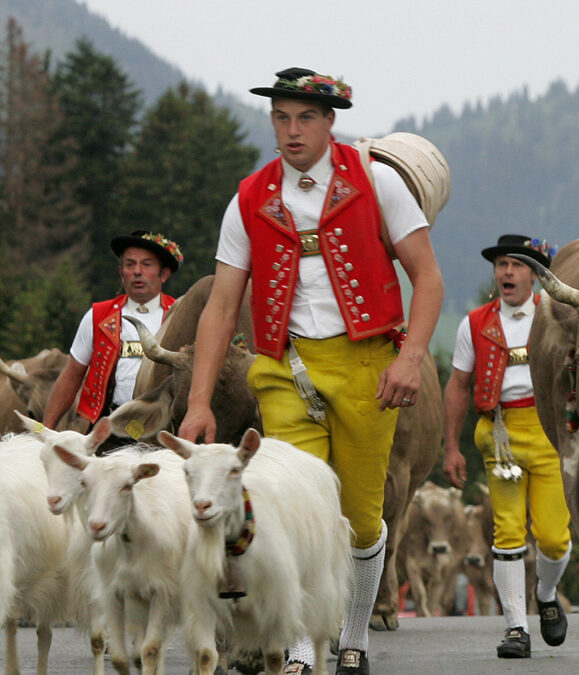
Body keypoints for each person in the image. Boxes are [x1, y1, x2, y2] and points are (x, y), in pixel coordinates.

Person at [176, 67, 443, 675]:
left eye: (305, 117)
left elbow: (428, 278)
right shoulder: (248, 198)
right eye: (281, 117)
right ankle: (299, 648)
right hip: (283, 366)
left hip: (366, 365)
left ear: (330, 121)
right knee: (294, 505)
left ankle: (354, 637)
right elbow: (220, 307)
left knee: (360, 516)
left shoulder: (377, 183)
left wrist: (409, 359)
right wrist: (198, 402)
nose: (291, 130)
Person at [442, 234, 571, 659]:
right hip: (499, 433)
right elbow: (459, 385)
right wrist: (451, 447)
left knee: (553, 538)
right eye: (501, 265)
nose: (507, 272)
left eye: (516, 265)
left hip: (550, 429)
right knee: (508, 531)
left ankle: (547, 593)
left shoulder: (557, 316)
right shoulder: (474, 323)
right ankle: (516, 627)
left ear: (534, 274)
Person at [43, 230, 183, 430]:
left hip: (164, 428)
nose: (137, 271)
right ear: (121, 272)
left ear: (164, 273)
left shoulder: (178, 315)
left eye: (146, 264)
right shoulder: (98, 316)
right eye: (130, 264)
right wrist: (44, 430)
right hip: (109, 427)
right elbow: (72, 376)